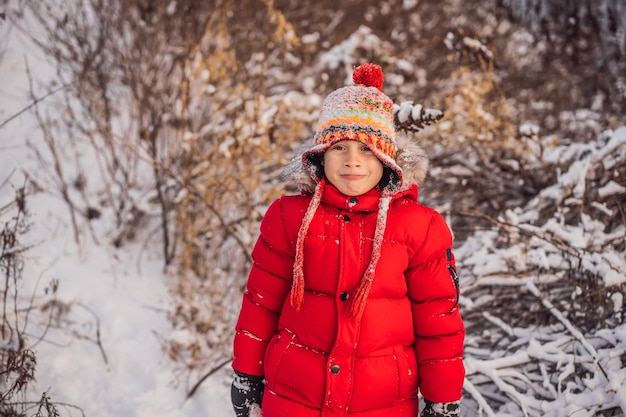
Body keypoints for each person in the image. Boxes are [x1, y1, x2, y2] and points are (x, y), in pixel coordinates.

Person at [230, 63, 465, 417]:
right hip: (294, 399)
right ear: (320, 155)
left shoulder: (421, 227)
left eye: (367, 150)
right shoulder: (287, 218)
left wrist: (442, 398)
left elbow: (439, 323)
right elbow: (260, 303)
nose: (352, 162)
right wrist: (247, 374)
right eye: (339, 148)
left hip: (382, 404)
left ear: (387, 158)